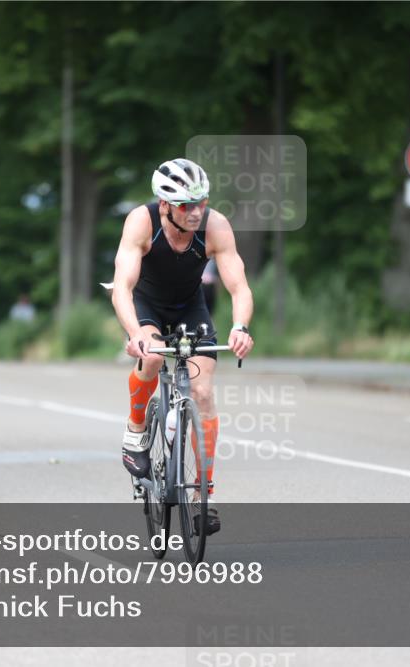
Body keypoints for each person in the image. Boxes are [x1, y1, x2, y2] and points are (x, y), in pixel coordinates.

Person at [110, 158, 254, 534]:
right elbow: (122, 287)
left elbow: (238, 286)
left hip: (191, 307)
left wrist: (240, 327)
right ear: (165, 205)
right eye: (186, 205)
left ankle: (203, 493)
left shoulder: (215, 226)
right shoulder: (142, 222)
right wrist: (134, 334)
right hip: (147, 306)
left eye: (201, 203)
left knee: (203, 392)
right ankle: (136, 429)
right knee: (154, 356)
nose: (195, 212)